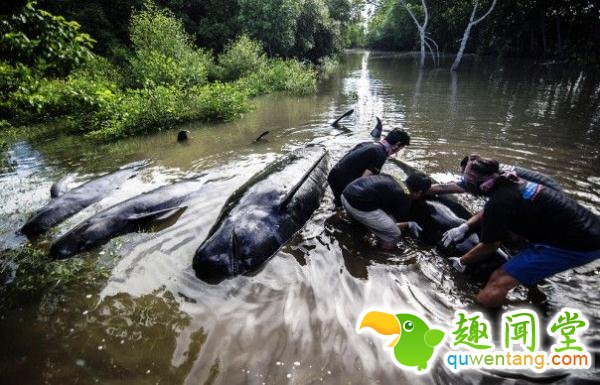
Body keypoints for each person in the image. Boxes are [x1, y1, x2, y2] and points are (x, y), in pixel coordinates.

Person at [442, 156, 600, 307]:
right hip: (586, 227)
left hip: (576, 244)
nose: (464, 185)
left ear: (482, 184)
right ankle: (538, 299)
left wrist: (461, 261)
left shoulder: (499, 202)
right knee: (519, 262)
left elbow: (490, 245)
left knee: (498, 280)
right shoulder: (509, 179)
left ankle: (485, 315)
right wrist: (465, 226)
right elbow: (489, 212)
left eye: (467, 182)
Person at [341, 172, 431, 249]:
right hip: (357, 206)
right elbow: (393, 225)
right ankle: (379, 255)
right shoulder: (406, 198)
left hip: (346, 194)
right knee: (394, 234)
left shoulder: (394, 178)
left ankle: (351, 229)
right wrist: (409, 224)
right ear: (419, 192)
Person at [328, 128, 410, 206]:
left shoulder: (367, 144)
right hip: (342, 181)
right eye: (400, 148)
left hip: (333, 175)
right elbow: (364, 180)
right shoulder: (380, 154)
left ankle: (338, 206)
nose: (398, 151)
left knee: (339, 202)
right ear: (397, 144)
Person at [427, 155, 562, 196]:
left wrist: (413, 190)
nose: (465, 177)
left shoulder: (479, 179)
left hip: (541, 194)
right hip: (553, 187)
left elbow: (442, 188)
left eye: (465, 173)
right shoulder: (493, 167)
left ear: (473, 173)